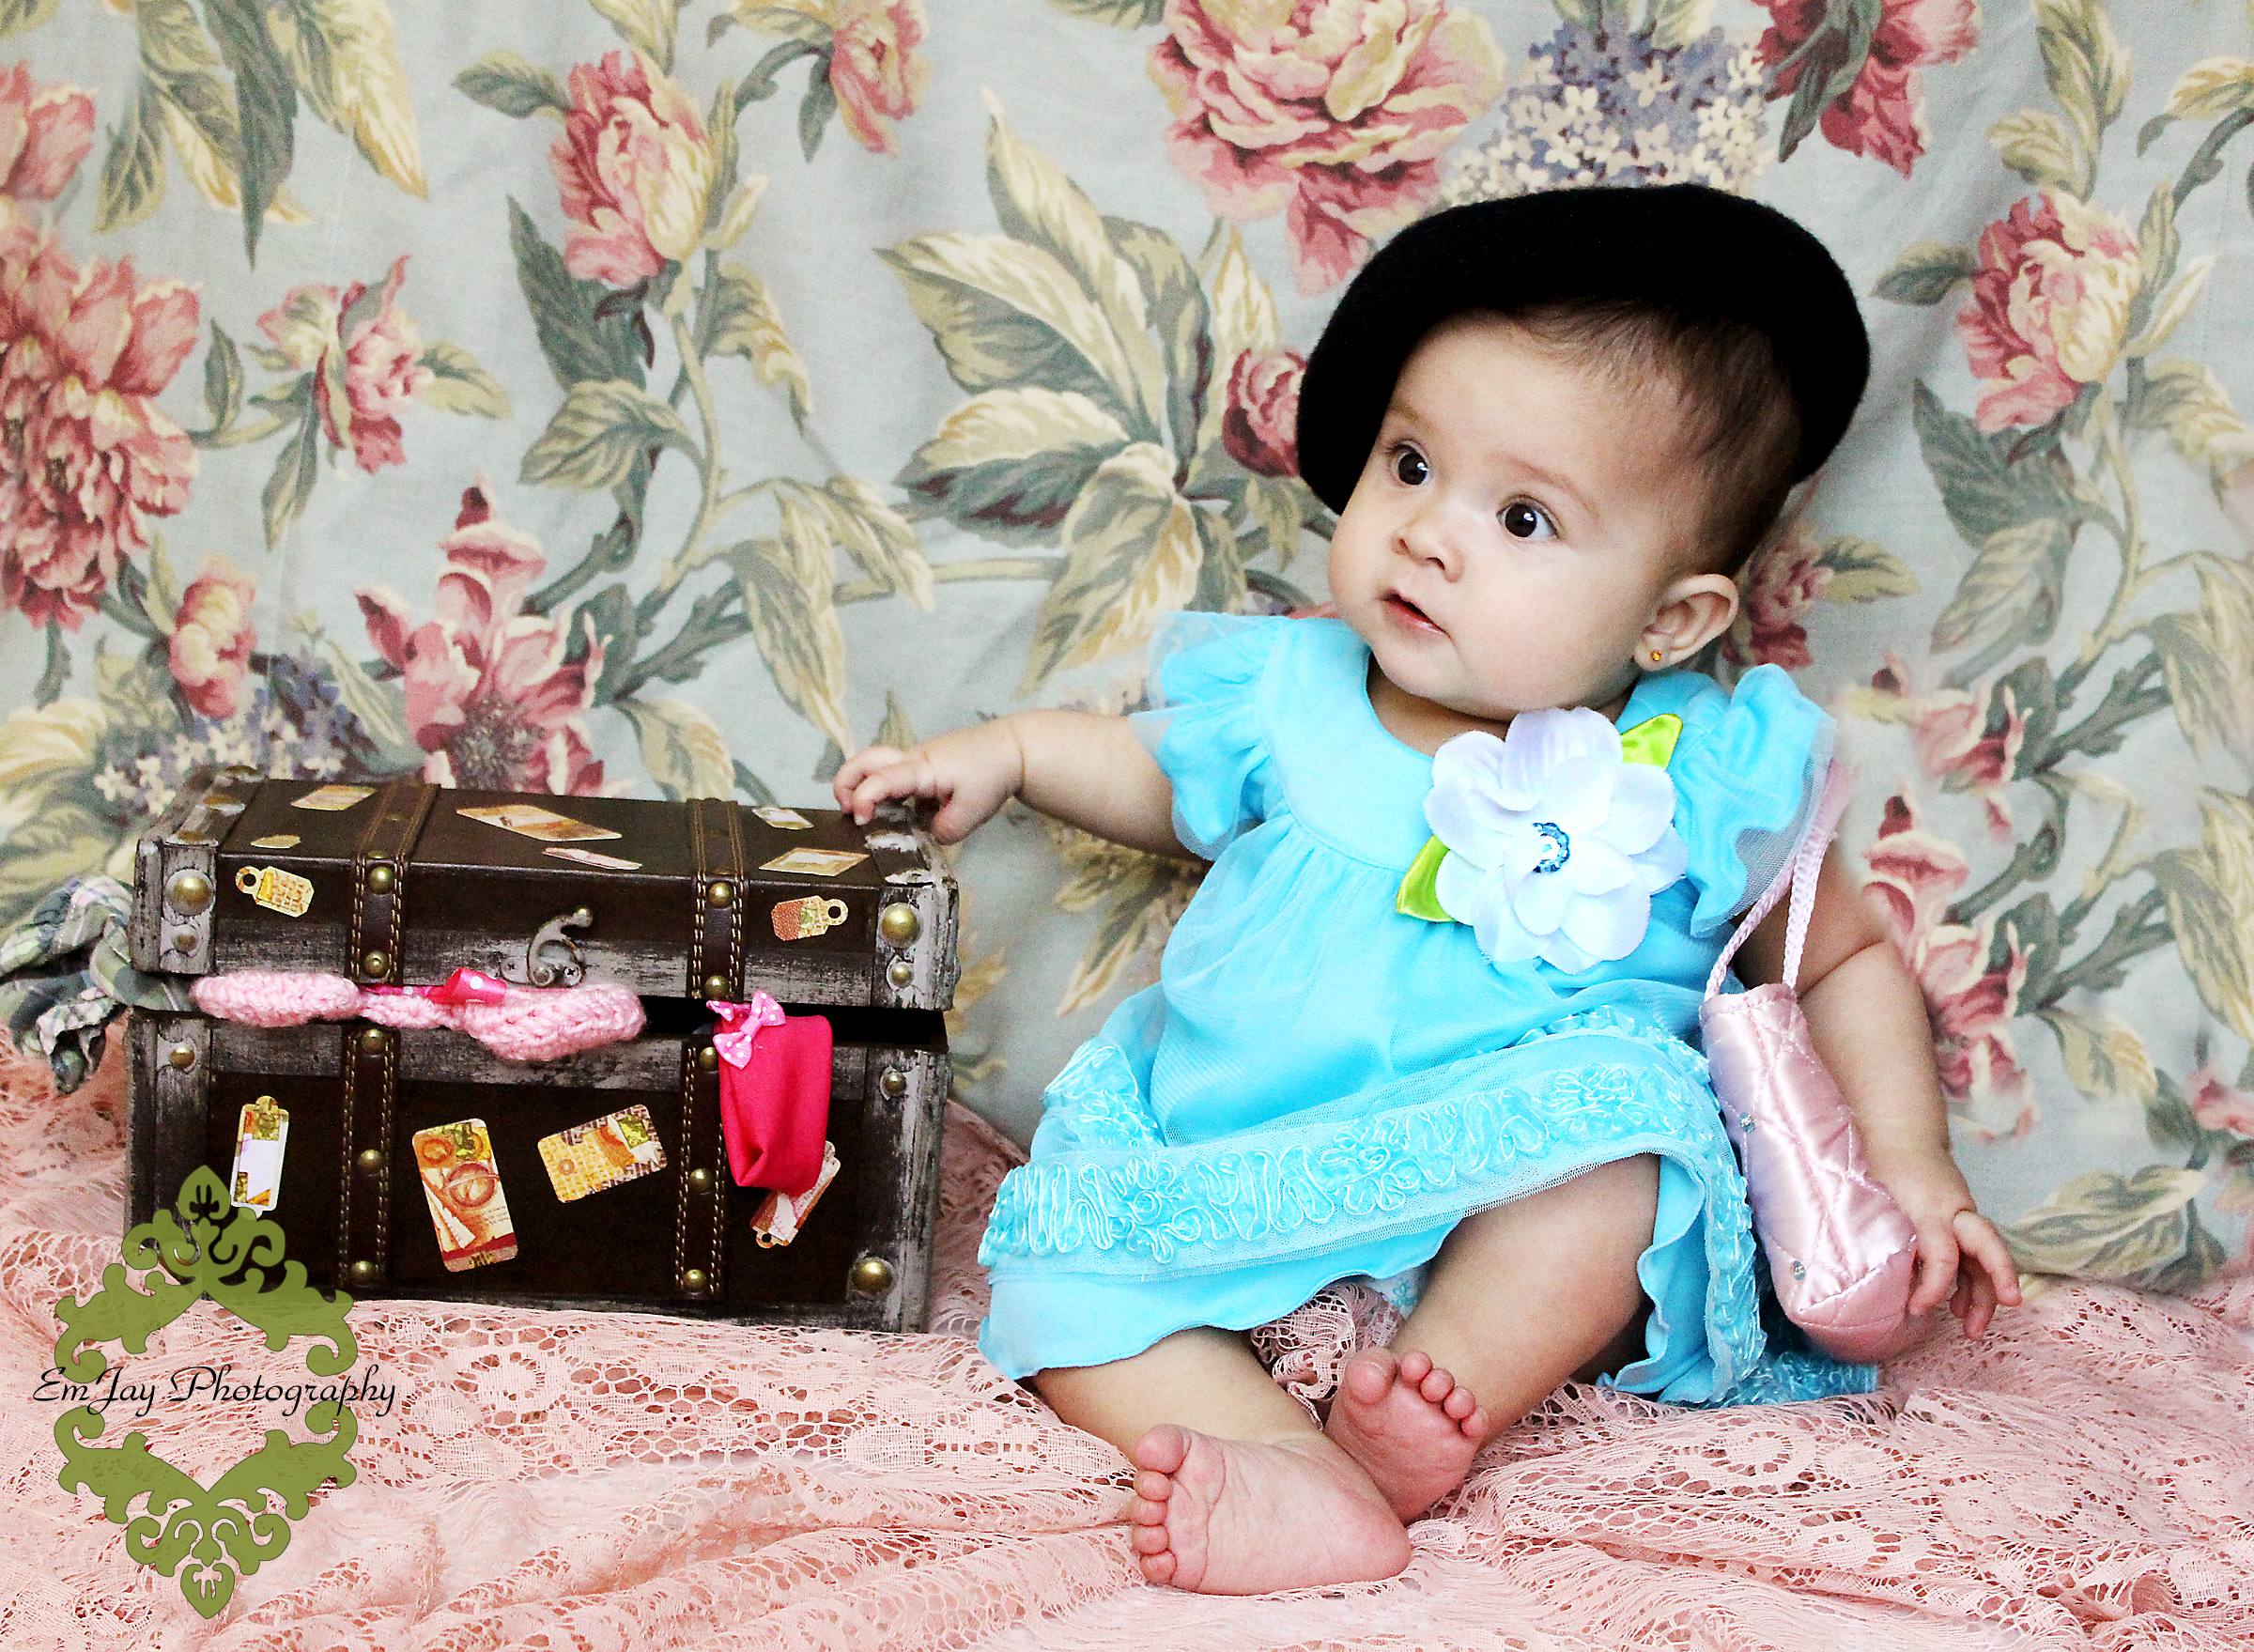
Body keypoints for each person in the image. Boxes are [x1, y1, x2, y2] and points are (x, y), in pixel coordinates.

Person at [834, 184, 2022, 1597]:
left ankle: (1429, 1396)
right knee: (1050, 1273)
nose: (1429, 534)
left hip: (1499, 1198)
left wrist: (1914, 1162)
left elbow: (1840, 960)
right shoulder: (1294, 691)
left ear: (1671, 618)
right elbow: (1154, 776)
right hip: (1234, 1166)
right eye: (1410, 465)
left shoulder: (1693, 767)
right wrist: (1016, 756)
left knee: (1628, 1150)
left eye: (1522, 516)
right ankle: (1294, 1471)